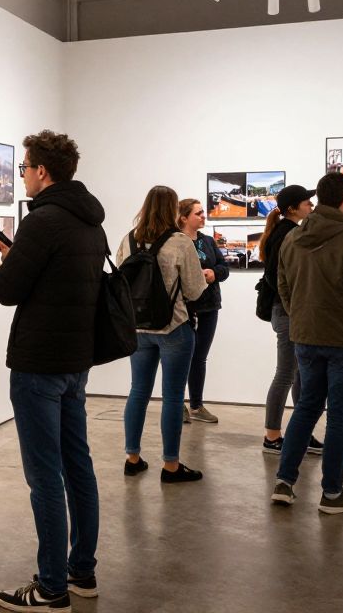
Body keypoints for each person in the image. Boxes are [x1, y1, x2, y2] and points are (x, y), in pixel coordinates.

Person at [0, 131, 107, 610]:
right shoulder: (90, 222)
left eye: (24, 168)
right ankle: (81, 572)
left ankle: (51, 585)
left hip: (39, 363)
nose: (22, 175)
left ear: (42, 171)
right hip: (75, 361)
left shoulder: (43, 222)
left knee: (44, 476)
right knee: (77, 465)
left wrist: (7, 261)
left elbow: (8, 290)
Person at [271, 172, 343, 513]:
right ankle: (332, 494)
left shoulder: (293, 238)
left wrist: (302, 318)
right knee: (339, 418)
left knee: (306, 408)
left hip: (306, 338)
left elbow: (284, 286)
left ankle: (284, 481)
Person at [118, 186, 208, 485]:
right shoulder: (180, 242)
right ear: (172, 210)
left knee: (138, 392)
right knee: (172, 397)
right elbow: (195, 289)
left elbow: (119, 282)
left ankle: (132, 458)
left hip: (138, 328)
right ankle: (171, 466)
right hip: (174, 328)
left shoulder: (129, 240)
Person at [257, 185, 323, 455]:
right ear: (293, 208)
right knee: (286, 374)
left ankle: (300, 432)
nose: (311, 206)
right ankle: (272, 436)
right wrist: (293, 305)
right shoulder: (288, 233)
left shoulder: (286, 230)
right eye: (307, 203)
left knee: (297, 375)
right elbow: (275, 276)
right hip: (286, 313)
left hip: (286, 311)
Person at [177, 199, 229, 424]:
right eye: (198, 213)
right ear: (184, 218)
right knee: (179, 358)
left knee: (199, 357)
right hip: (183, 308)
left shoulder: (207, 241)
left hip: (209, 306)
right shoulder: (175, 241)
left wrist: (213, 274)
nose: (203, 216)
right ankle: (177, 404)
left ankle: (196, 406)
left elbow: (224, 268)